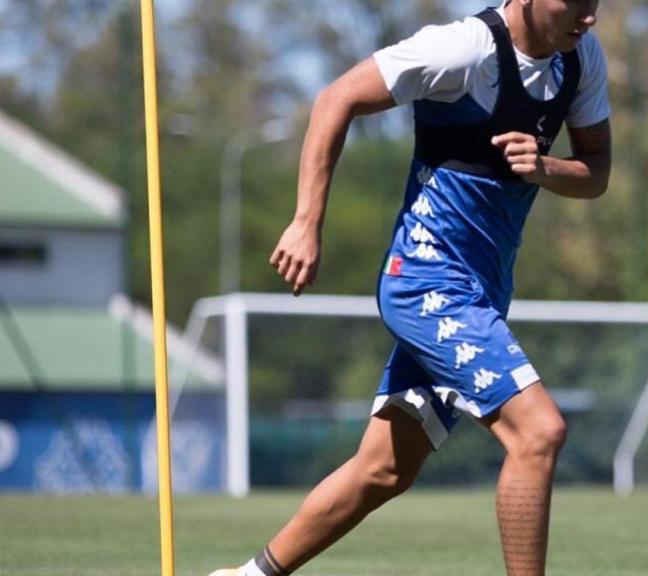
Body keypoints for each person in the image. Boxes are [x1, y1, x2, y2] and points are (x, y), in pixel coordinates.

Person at [210, 0, 609, 574]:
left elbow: (597, 171)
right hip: (426, 282)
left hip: (482, 293)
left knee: (384, 469)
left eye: (596, 2)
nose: (588, 16)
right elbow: (335, 98)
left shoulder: (580, 58)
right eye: (575, 2)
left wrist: (546, 168)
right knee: (540, 432)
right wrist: (305, 221)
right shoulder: (463, 49)